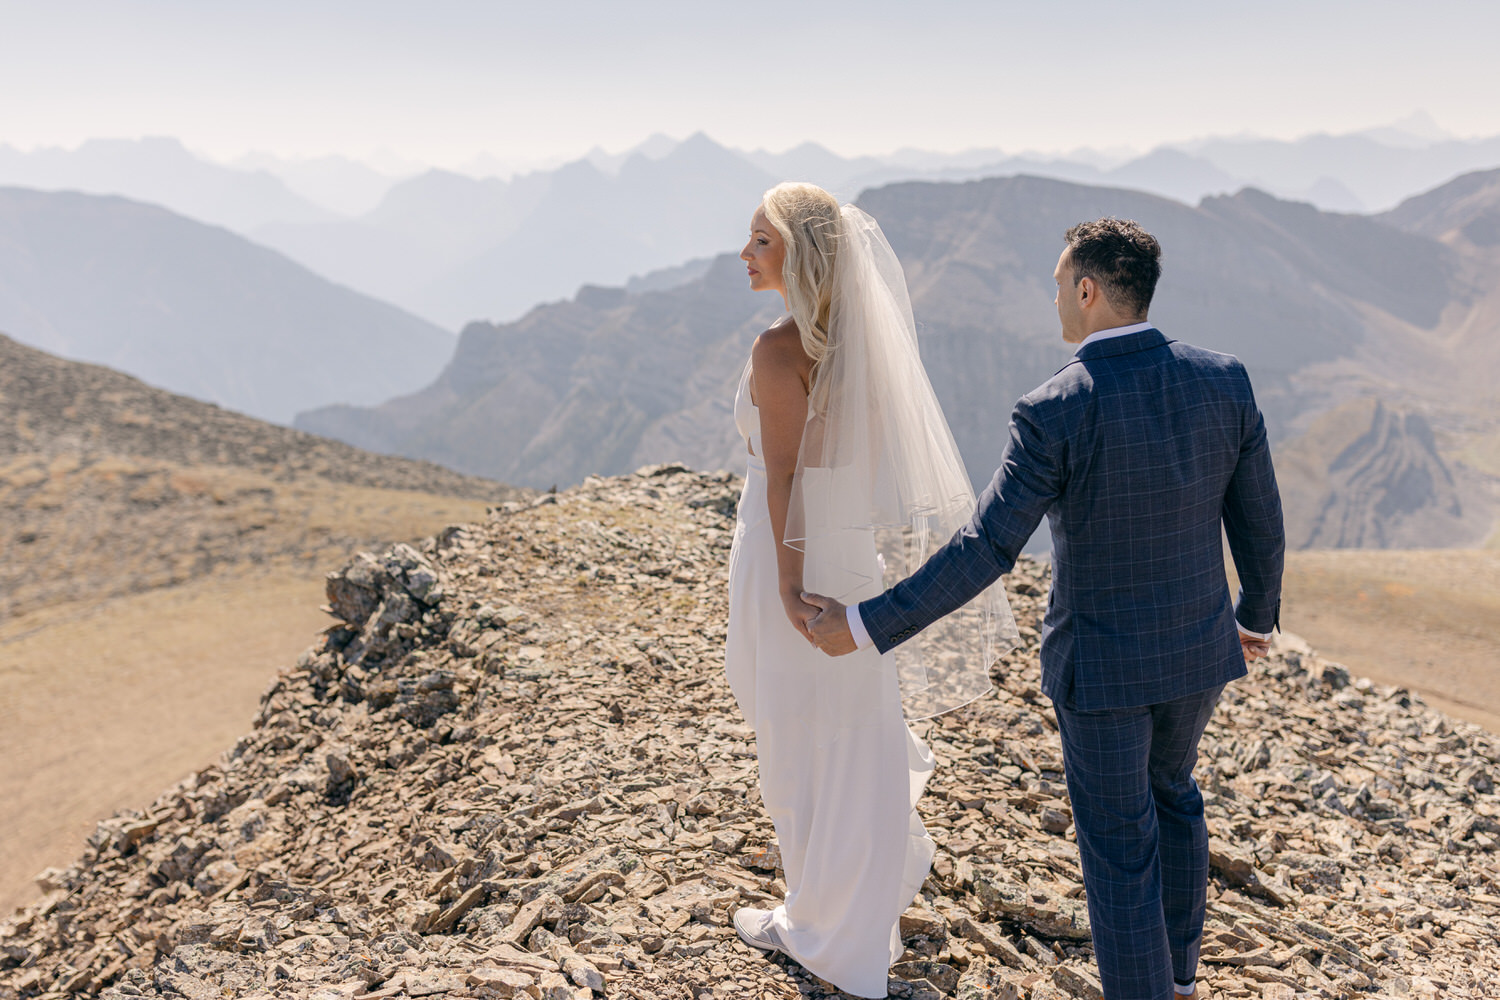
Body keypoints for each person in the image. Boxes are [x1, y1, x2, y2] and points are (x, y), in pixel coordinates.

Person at [805, 218, 1284, 1000]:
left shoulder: (1055, 408)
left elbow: (987, 548)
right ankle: (1183, 979)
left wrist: (864, 624)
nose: (1054, 295)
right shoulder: (1224, 379)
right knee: (1176, 793)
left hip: (1100, 669)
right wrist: (1255, 615)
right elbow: (1258, 514)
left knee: (1120, 844)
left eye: (1060, 282)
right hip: (1199, 652)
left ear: (1088, 291)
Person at [724, 182, 1016, 999]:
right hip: (849, 554)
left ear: (801, 254)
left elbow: (783, 476)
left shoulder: (778, 350)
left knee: (792, 732)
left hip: (793, 552)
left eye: (761, 241)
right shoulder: (866, 347)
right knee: (853, 730)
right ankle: (851, 909)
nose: (744, 255)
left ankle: (818, 925)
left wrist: (787, 584)